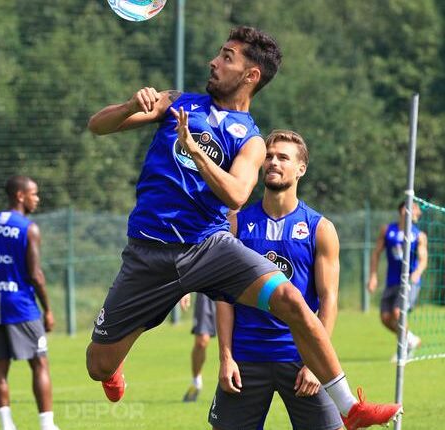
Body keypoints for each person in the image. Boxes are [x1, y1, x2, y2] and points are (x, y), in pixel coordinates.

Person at [85, 25, 401, 429]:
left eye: (227, 57)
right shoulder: (178, 103)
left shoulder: (251, 140)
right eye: (219, 54)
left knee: (291, 299)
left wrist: (196, 152)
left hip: (209, 248)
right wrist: (131, 105)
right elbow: (99, 125)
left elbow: (236, 194)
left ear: (251, 76)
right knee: (98, 365)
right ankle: (114, 365)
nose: (214, 62)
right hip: (150, 251)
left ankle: (348, 407)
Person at [208, 130, 343, 430]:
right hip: (246, 358)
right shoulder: (235, 225)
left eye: (283, 157)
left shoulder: (319, 228)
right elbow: (224, 298)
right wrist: (225, 358)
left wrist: (314, 363)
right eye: (269, 156)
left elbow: (329, 298)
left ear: (300, 169)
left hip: (300, 358)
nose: (273, 162)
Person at [0, 175, 59, 430]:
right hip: (21, 305)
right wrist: (48, 309)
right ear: (20, 196)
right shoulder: (28, 228)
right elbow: (35, 275)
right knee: (39, 362)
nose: (37, 198)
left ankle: (7, 425)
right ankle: (47, 425)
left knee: (0, 364)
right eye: (34, 193)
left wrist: (1, 265)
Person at [367, 201, 428, 358]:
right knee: (386, 318)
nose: (419, 213)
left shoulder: (419, 235)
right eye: (415, 209)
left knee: (397, 312)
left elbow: (423, 259)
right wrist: (373, 275)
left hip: (409, 282)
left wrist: (417, 273)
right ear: (403, 210)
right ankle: (410, 339)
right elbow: (376, 253)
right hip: (392, 281)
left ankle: (404, 350)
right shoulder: (388, 230)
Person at [180, 292, 216, 402]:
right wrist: (185, 292)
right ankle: (196, 383)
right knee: (201, 342)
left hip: (233, 285)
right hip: (207, 290)